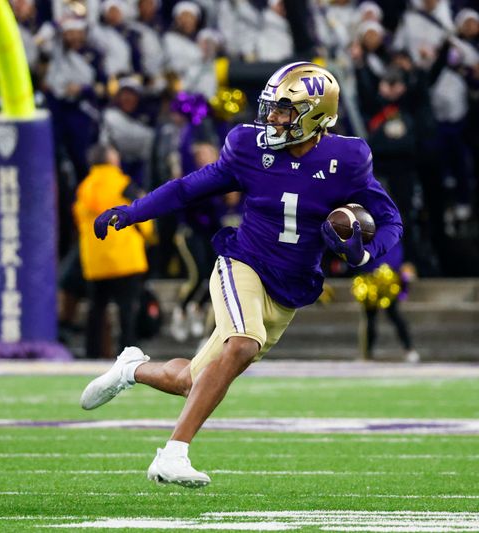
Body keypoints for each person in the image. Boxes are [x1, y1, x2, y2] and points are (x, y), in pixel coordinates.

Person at [80, 62, 403, 487]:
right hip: (244, 262)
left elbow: (390, 221)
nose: (272, 118)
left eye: (285, 111)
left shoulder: (348, 158)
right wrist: (132, 212)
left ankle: (131, 369)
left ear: (315, 115)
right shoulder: (250, 148)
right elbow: (186, 188)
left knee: (195, 380)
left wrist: (363, 255)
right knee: (242, 343)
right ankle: (173, 453)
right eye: (271, 108)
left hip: (289, 289)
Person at [73, 144, 154, 358]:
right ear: (112, 160)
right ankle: (129, 355)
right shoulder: (124, 185)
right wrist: (149, 236)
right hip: (125, 257)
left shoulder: (84, 188)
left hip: (95, 260)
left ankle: (92, 354)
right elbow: (144, 211)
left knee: (96, 311)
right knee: (127, 310)